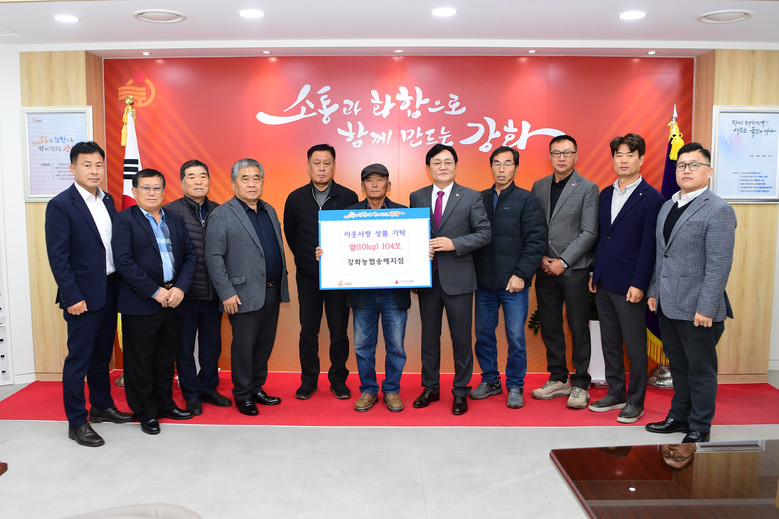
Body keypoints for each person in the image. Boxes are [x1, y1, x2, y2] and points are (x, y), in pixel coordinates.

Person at [646, 142, 736, 444]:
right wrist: (654, 291)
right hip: (668, 304)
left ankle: (700, 424)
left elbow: (719, 265)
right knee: (679, 366)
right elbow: (662, 255)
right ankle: (678, 416)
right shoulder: (668, 206)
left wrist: (706, 308)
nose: (686, 170)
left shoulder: (718, 209)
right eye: (682, 164)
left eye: (694, 165)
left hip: (698, 308)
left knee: (700, 369)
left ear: (709, 172)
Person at [44, 141, 132, 447]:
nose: (94, 171)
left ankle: (101, 406)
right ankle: (77, 422)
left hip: (109, 288)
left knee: (102, 356)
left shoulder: (107, 200)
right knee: (78, 360)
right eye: (87, 165)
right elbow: (58, 257)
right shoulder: (61, 205)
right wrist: (72, 296)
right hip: (81, 296)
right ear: (73, 168)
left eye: (98, 165)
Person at [113, 169, 198, 435]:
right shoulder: (124, 219)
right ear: (135, 191)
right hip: (141, 302)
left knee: (165, 358)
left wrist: (180, 287)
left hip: (173, 300)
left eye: (157, 188)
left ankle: (164, 403)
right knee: (140, 361)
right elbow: (123, 261)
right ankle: (145, 411)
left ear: (164, 191)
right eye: (146, 188)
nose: (152, 193)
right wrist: (154, 291)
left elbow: (191, 255)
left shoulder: (174, 218)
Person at [409, 144, 491, 415]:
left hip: (459, 279)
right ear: (428, 168)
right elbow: (410, 234)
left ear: (456, 166)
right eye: (437, 162)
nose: (442, 166)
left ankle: (460, 391)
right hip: (428, 279)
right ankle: (430, 387)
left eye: (448, 162)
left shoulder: (471, 196)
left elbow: (484, 233)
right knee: (429, 338)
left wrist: (453, 243)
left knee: (461, 339)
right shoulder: (417, 196)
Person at [588, 134, 664, 423]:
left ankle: (635, 401)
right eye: (618, 155)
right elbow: (602, 238)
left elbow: (649, 246)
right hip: (604, 280)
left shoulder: (652, 198)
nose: (623, 160)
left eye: (630, 155)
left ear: (641, 159)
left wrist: (640, 283)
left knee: (634, 346)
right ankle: (616, 392)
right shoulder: (605, 194)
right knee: (609, 342)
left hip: (631, 284)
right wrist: (595, 271)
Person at [205, 158, 290, 416]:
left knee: (264, 345)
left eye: (256, 178)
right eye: (245, 179)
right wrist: (227, 292)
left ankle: (256, 388)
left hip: (272, 290)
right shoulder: (221, 215)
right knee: (243, 348)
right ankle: (242, 394)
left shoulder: (269, 210)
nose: (252, 184)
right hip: (240, 294)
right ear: (233, 183)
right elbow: (214, 257)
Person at [471, 146, 546, 409]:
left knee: (515, 337)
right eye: (497, 164)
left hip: (514, 284)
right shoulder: (478, 198)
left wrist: (521, 274)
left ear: (516, 167)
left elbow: (536, 242)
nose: (501, 169)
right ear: (491, 167)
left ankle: (515, 384)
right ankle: (490, 380)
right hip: (483, 284)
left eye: (507, 164)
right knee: (483, 335)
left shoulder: (527, 199)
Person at [283, 144, 358, 400]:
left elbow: (354, 235)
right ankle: (308, 380)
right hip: (308, 278)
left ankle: (338, 380)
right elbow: (291, 234)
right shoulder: (295, 198)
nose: (322, 168)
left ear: (334, 166)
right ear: (308, 166)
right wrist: (306, 258)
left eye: (327, 163)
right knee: (308, 332)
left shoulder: (348, 197)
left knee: (339, 332)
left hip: (339, 279)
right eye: (317, 163)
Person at [334, 163, 411, 412]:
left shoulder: (404, 214)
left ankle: (391, 390)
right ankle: (368, 390)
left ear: (389, 185)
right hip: (362, 294)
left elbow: (412, 250)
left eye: (380, 179)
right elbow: (339, 250)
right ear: (362, 186)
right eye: (369, 180)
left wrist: (422, 258)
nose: (375, 184)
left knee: (396, 346)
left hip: (394, 293)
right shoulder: (348, 214)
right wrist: (327, 253)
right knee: (362, 346)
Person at [530, 135, 599, 409]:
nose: (561, 157)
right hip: (544, 267)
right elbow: (534, 226)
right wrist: (542, 259)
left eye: (567, 152)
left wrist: (564, 261)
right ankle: (558, 378)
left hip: (573, 270)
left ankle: (580, 382)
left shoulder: (588, 188)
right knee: (550, 324)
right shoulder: (539, 185)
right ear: (549, 156)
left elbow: (589, 232)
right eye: (556, 152)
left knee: (578, 325)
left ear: (576, 156)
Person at [163, 160, 231, 416]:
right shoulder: (170, 212)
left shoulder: (220, 211)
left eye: (203, 176)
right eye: (191, 177)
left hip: (214, 292)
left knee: (212, 345)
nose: (198, 181)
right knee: (184, 347)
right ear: (182, 183)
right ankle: (191, 393)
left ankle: (209, 388)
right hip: (184, 293)